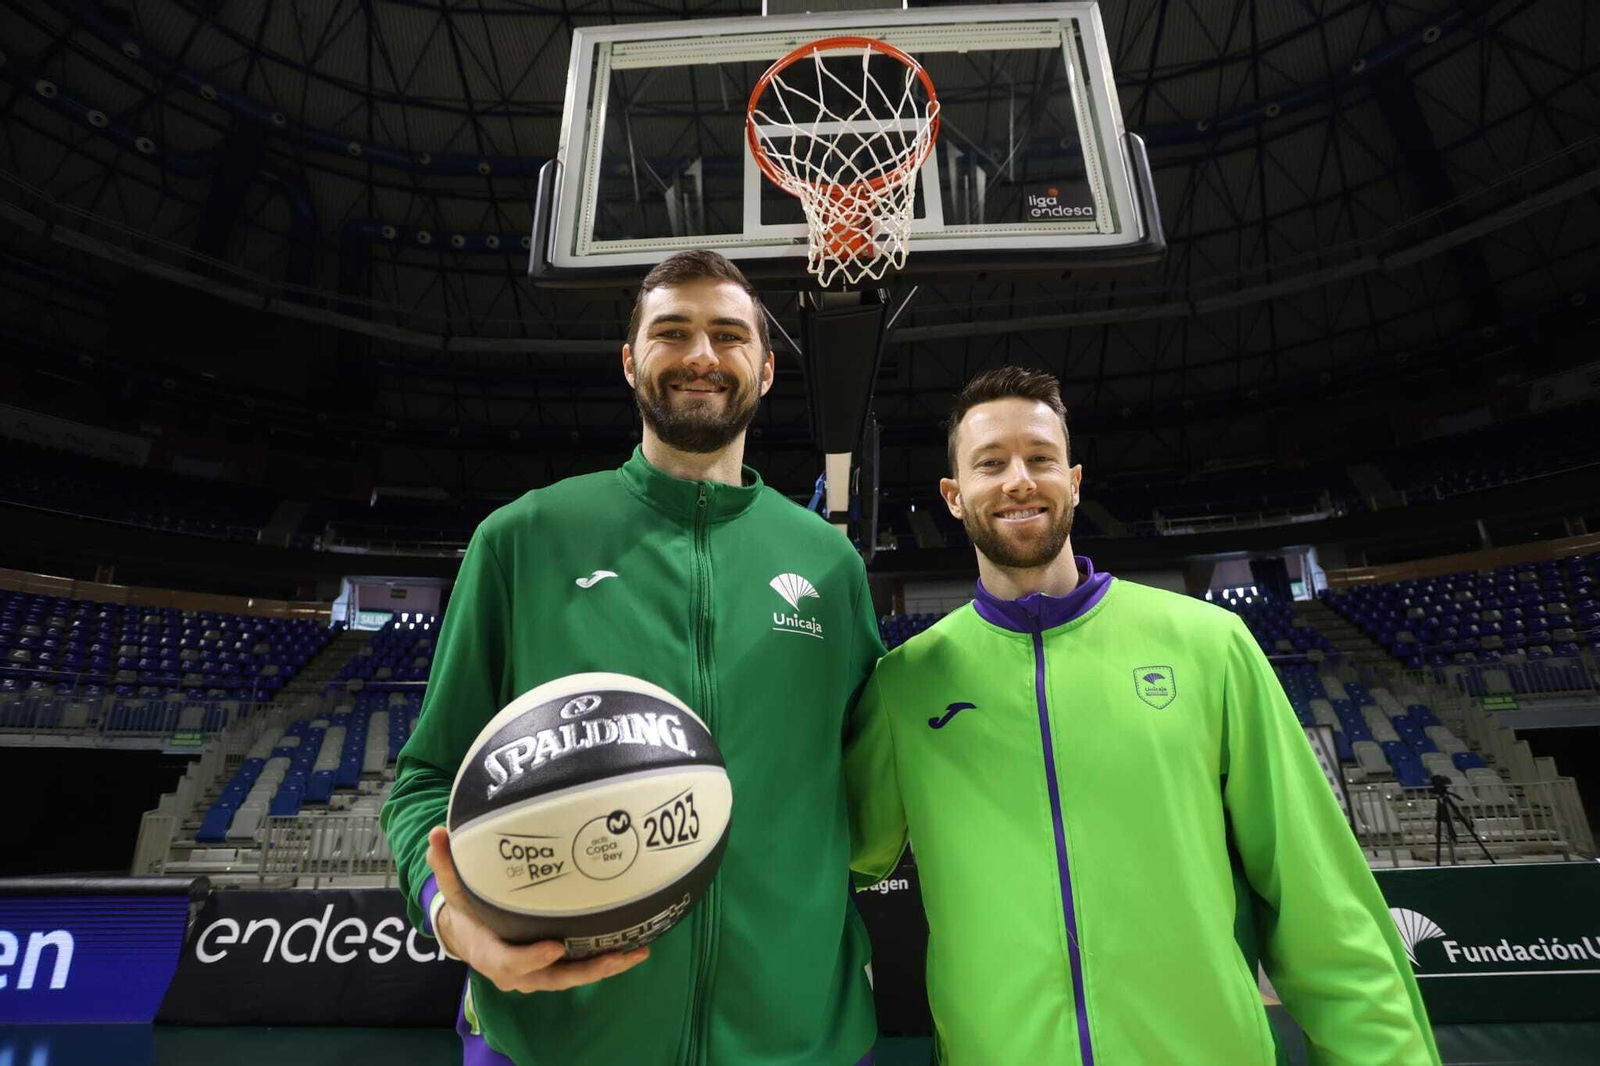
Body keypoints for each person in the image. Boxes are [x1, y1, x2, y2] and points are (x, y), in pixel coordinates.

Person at [845, 365, 1440, 1065]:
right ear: (954, 495)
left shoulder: (1207, 643)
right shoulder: (908, 682)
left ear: (1074, 479)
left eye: (1040, 459)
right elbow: (832, 854)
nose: (1018, 480)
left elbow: (1316, 896)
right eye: (990, 463)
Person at [381, 250, 885, 1065]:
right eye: (671, 332)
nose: (700, 356)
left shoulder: (829, 567)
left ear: (764, 368)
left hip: (801, 1043)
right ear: (629, 361)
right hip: (557, 1042)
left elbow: (873, 786)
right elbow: (425, 781)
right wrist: (451, 918)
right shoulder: (523, 538)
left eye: (728, 335)